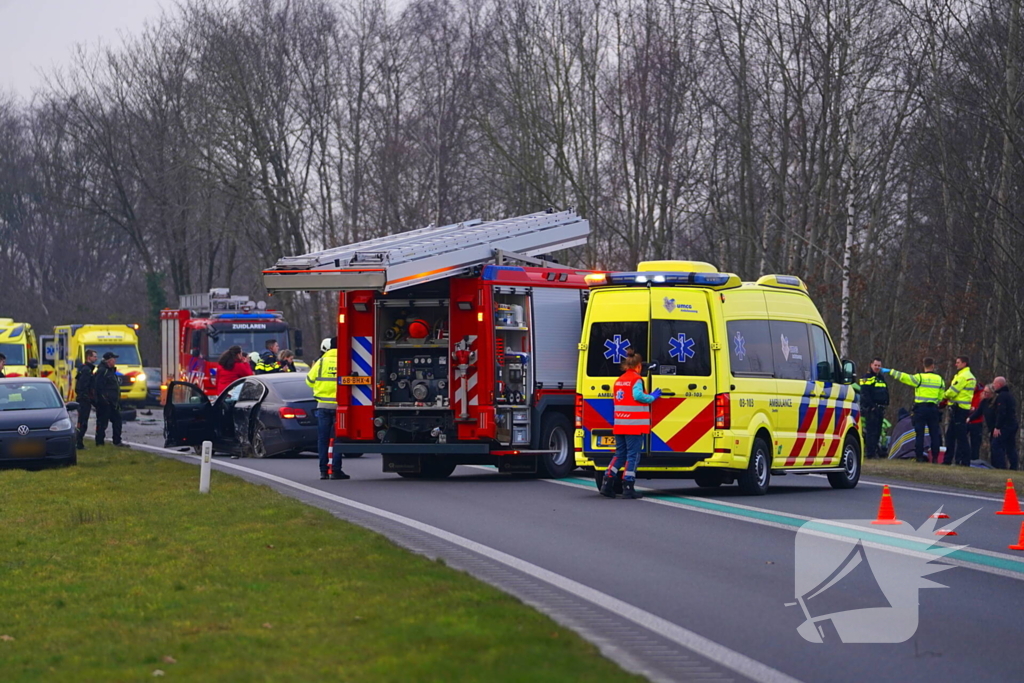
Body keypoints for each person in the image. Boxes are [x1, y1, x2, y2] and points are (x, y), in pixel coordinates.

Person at [599, 350, 661, 499]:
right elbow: (638, 396)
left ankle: (607, 483)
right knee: (632, 456)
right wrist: (652, 397)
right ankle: (628, 486)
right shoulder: (636, 379)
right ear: (638, 366)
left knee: (619, 454)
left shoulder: (619, 380)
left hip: (620, 424)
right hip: (634, 425)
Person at [883, 358, 944, 463]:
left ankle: (919, 457)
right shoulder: (939, 379)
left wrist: (891, 371)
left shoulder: (919, 378)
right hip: (933, 409)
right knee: (934, 434)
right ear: (933, 366)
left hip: (921, 409)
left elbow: (904, 377)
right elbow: (941, 396)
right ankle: (934, 458)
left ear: (924, 366)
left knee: (919, 434)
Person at [306, 337, 347, 481]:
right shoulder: (345, 360)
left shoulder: (321, 361)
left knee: (322, 439)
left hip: (322, 406)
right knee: (338, 439)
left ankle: (323, 471)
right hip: (339, 407)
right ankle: (336, 470)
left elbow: (309, 381)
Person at [942, 355, 977, 466]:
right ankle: (950, 460)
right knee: (952, 435)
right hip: (961, 409)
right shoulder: (970, 376)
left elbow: (953, 391)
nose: (956, 364)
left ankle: (963, 461)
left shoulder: (963, 376)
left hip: (959, 409)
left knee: (959, 436)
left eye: (958, 362)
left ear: (964, 363)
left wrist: (943, 397)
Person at [859, 357, 889, 459]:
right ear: (871, 365)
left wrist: (886, 402)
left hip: (880, 408)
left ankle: (875, 452)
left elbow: (885, 391)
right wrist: (871, 406)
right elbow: (865, 394)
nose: (877, 367)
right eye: (875, 365)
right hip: (871, 409)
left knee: (877, 431)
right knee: (871, 432)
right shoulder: (866, 377)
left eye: (879, 366)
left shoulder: (881, 378)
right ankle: (870, 454)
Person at [94, 351, 125, 447]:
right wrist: (104, 400)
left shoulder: (111, 371)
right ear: (108, 360)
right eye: (113, 359)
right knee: (102, 423)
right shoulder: (103, 371)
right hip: (105, 403)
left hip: (113, 402)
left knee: (117, 420)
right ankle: (99, 442)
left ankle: (117, 441)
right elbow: (98, 387)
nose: (115, 361)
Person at [991, 377, 1019, 470]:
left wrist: (997, 427)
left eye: (994, 383)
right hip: (1013, 424)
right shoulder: (1009, 395)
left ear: (999, 384)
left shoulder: (1002, 396)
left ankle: (1001, 466)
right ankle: (1014, 466)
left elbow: (1001, 412)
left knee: (996, 444)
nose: (993, 385)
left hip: (1005, 425)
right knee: (1010, 446)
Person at [74, 349, 98, 449]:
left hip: (84, 399)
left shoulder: (85, 369)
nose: (96, 358)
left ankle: (79, 442)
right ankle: (78, 443)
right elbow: (83, 386)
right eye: (94, 356)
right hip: (84, 400)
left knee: (83, 421)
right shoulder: (86, 370)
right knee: (82, 422)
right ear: (89, 357)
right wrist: (87, 397)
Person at [968, 383, 987, 463]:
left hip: (976, 421)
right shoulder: (967, 391)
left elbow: (980, 409)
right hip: (966, 420)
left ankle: (974, 460)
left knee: (975, 443)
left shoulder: (982, 393)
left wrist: (973, 409)